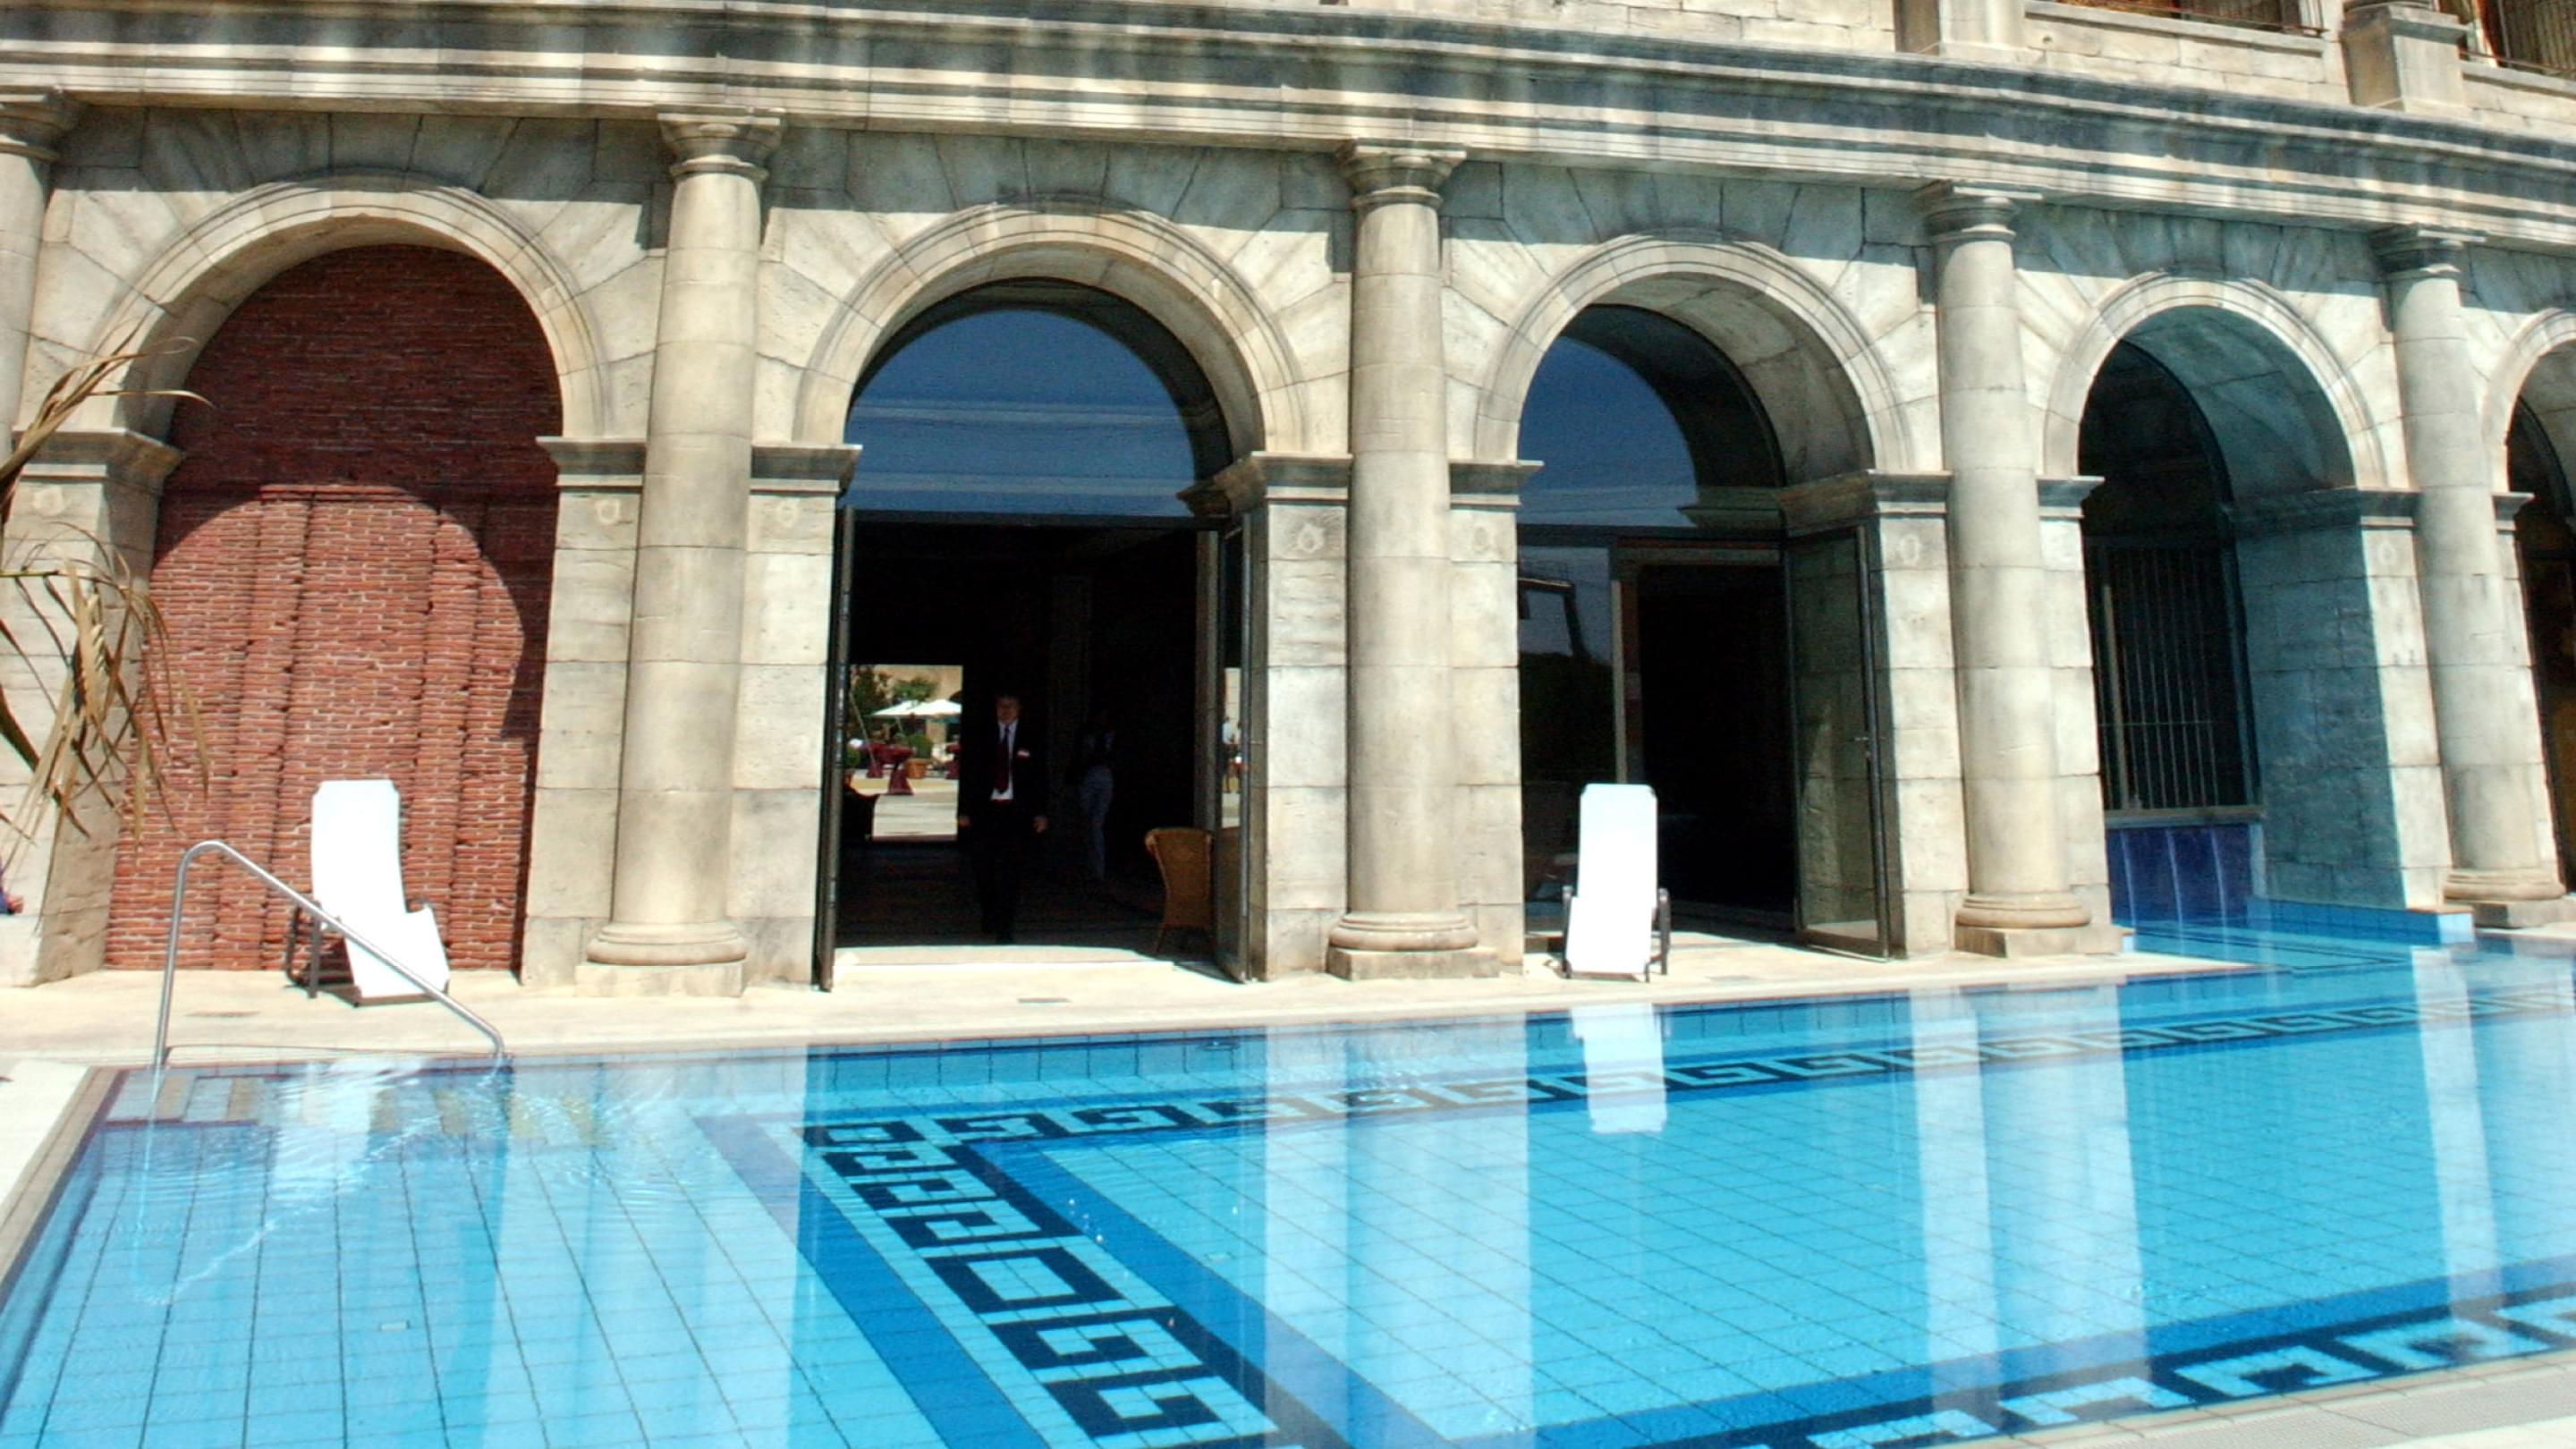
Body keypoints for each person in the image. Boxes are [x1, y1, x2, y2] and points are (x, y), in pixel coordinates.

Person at [956, 691, 1047, 943]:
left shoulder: (1031, 738)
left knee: (1012, 870)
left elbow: (1040, 777)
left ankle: (1006, 927)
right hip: (986, 811)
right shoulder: (983, 736)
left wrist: (1041, 812)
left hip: (1017, 812)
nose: (1005, 711)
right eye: (1001, 706)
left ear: (1019, 710)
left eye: (1011, 706)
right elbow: (969, 774)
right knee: (983, 867)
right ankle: (989, 909)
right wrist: (964, 810)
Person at [1075, 708, 1116, 882]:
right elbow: (1080, 757)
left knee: (1096, 823)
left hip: (1104, 776)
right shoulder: (1086, 736)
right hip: (1089, 776)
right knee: (1088, 823)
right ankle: (1090, 865)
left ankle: (1097, 868)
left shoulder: (1111, 737)